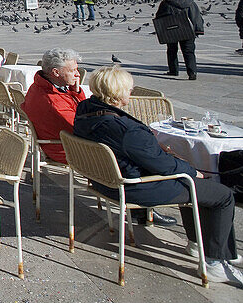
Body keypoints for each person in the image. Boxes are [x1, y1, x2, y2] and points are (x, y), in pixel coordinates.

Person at [74, 66, 241, 286]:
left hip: (105, 181)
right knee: (222, 195)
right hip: (134, 187)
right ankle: (215, 262)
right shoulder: (125, 129)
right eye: (129, 89)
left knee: (191, 185)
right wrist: (193, 170)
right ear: (116, 93)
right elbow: (164, 166)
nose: (131, 93)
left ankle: (196, 243)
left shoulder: (86, 110)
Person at [21, 48, 87, 164]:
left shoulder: (38, 86)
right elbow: (83, 128)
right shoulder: (54, 101)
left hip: (58, 143)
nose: (77, 74)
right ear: (56, 72)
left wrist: (75, 91)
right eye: (72, 70)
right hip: (67, 150)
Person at [154, 0, 204, 80]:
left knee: (172, 51)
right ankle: (192, 72)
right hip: (187, 30)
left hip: (171, 30)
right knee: (189, 52)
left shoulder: (165, 3)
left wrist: (161, 31)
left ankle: (173, 71)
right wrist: (198, 30)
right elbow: (196, 16)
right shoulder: (190, 2)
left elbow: (159, 17)